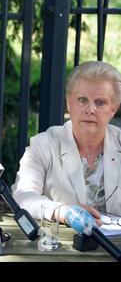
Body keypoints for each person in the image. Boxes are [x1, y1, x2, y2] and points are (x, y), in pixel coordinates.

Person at [12, 61, 121, 225]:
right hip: (61, 247)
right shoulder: (43, 145)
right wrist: (62, 212)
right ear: (69, 103)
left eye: (100, 102)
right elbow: (22, 196)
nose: (90, 109)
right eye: (82, 100)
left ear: (114, 108)